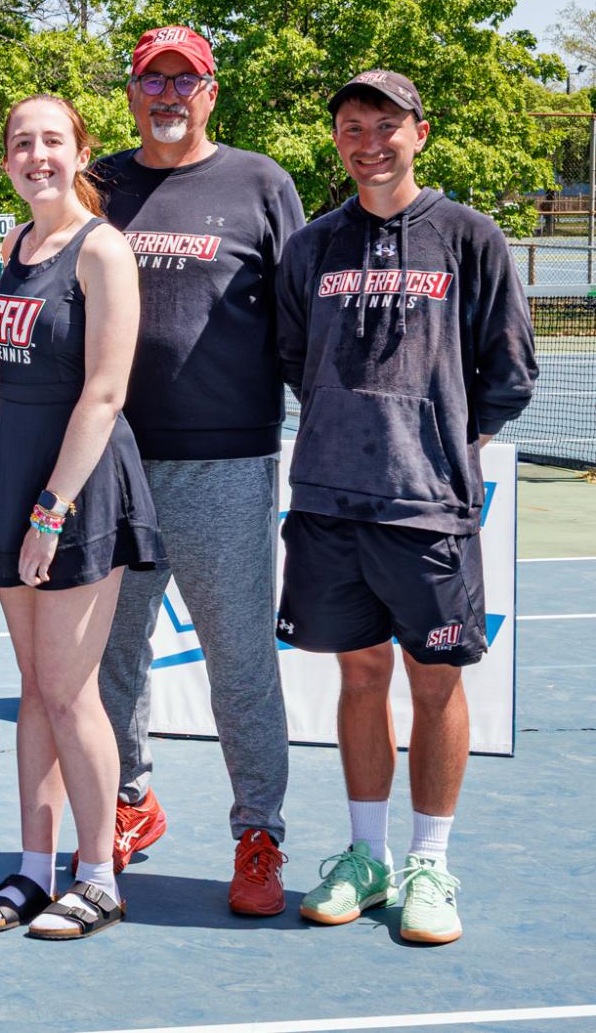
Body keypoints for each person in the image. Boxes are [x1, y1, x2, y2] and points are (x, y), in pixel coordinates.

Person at [278, 70, 535, 945]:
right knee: (357, 679)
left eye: (385, 124)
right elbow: (289, 355)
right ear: (339, 142)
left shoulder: (469, 236)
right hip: (326, 500)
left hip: (427, 508)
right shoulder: (310, 246)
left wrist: (435, 441)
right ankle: (366, 855)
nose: (368, 140)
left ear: (419, 133)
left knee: (435, 685)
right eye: (352, 127)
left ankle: (430, 863)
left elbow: (508, 373)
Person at [87, 25, 305, 914]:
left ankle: (259, 834)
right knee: (108, 656)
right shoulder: (96, 182)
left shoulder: (259, 183)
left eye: (185, 80)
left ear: (210, 91)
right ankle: (129, 802)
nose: (168, 95)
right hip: (113, 462)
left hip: (227, 463)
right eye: (152, 81)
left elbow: (297, 321)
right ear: (132, 93)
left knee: (240, 662)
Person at [0, 95, 163, 939]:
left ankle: (98, 875)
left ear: (78, 151)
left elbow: (103, 390)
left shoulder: (102, 250)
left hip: (75, 491)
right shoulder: (13, 246)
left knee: (74, 694)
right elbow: (14, 366)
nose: (34, 154)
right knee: (36, 691)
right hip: (16, 482)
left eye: (51, 141)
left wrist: (51, 509)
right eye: (19, 143)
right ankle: (32, 872)